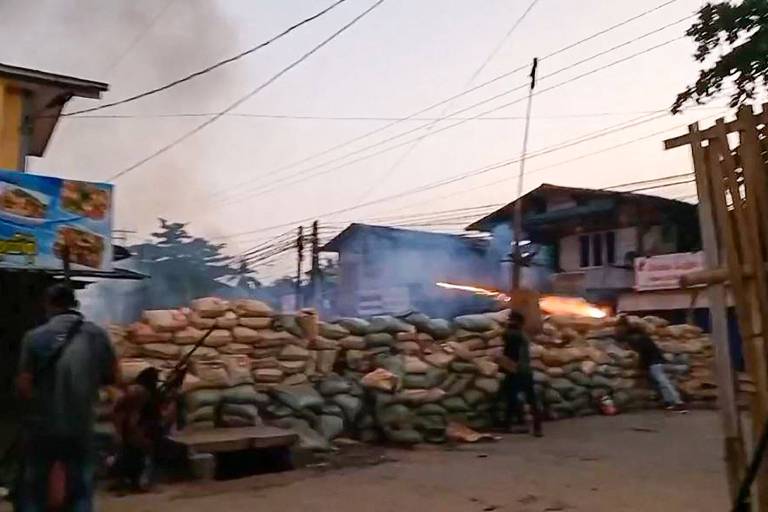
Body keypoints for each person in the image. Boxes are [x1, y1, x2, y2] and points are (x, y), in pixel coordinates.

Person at [16, 283, 117, 511]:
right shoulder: (97, 335)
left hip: (43, 425)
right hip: (81, 424)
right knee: (80, 483)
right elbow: (112, 378)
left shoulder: (34, 338)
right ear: (75, 304)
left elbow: (24, 385)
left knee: (34, 484)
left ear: (48, 305)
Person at [615, 316, 687, 413]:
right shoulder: (639, 335)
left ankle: (678, 402)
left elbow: (643, 353)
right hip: (655, 361)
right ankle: (668, 402)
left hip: (654, 362)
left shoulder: (635, 338)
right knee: (659, 383)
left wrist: (640, 366)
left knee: (663, 382)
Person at [496, 311, 543, 437]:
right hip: (524, 370)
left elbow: (506, 336)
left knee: (512, 396)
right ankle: (534, 426)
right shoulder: (522, 335)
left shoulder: (514, 334)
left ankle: (509, 424)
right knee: (528, 399)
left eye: (511, 320)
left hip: (516, 370)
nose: (508, 321)